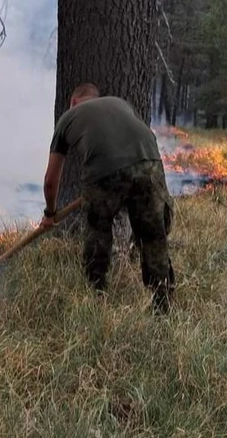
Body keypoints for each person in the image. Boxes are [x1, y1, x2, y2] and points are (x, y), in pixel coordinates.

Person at [40, 83, 175, 313]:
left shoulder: (68, 117)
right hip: (148, 163)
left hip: (103, 172)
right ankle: (163, 304)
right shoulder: (120, 103)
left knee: (98, 233)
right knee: (154, 237)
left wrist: (50, 214)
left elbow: (51, 181)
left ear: (73, 102)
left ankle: (97, 297)